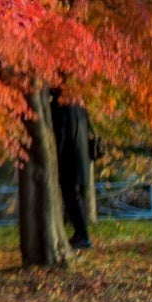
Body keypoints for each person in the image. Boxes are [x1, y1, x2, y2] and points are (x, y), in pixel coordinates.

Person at [51, 92, 94, 250]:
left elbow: (60, 136)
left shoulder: (59, 106)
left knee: (71, 198)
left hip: (70, 159)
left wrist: (57, 162)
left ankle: (83, 236)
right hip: (82, 158)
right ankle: (80, 234)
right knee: (74, 198)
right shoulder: (80, 104)